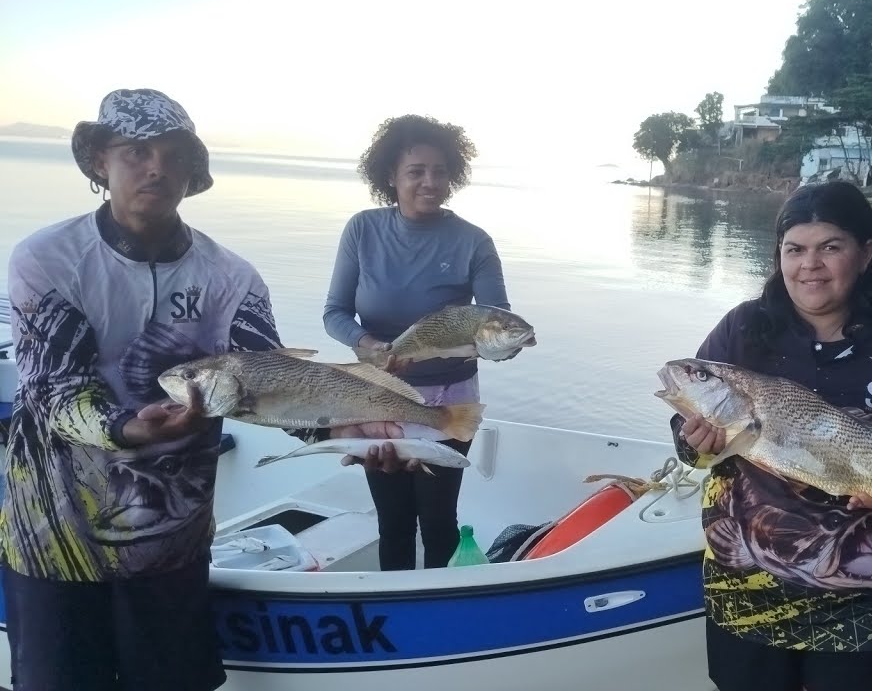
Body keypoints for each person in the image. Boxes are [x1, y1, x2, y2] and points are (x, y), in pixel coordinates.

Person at [0, 88, 404, 691]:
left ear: (193, 172)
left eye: (174, 154)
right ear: (99, 162)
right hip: (54, 537)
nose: (156, 166)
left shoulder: (230, 277)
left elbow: (272, 382)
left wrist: (340, 422)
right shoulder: (48, 260)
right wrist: (126, 427)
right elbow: (56, 391)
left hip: (170, 544)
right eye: (136, 151)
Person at [670, 180, 872, 691]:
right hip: (748, 587)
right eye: (795, 250)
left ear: (866, 252)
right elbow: (684, 436)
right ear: (778, 256)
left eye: (830, 247)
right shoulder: (741, 330)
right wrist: (695, 443)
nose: (811, 264)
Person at [323, 114, 510, 571]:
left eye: (441, 171)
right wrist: (366, 343)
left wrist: (503, 344)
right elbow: (335, 314)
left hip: (450, 403)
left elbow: (497, 322)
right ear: (391, 176)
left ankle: (444, 617)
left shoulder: (473, 242)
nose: (431, 182)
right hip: (377, 396)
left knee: (438, 516)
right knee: (393, 518)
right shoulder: (362, 230)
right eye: (416, 172)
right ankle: (397, 613)